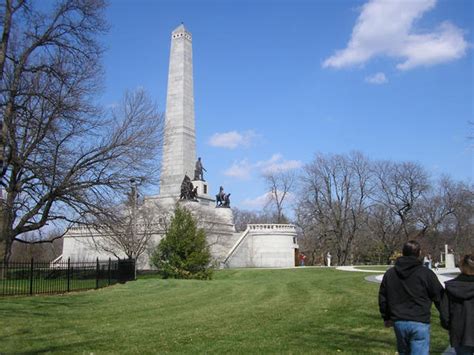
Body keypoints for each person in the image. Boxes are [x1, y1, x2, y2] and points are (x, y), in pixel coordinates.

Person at [378, 240, 444, 355]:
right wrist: (446, 318)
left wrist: (386, 317)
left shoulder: (390, 274)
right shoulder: (426, 274)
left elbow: (383, 297)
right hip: (420, 320)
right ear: (419, 253)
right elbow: (439, 296)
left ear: (403, 253)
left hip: (399, 321)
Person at [440, 254, 474, 355]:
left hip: (459, 331)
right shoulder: (451, 287)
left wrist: (450, 326)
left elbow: (445, 313)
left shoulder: (452, 287)